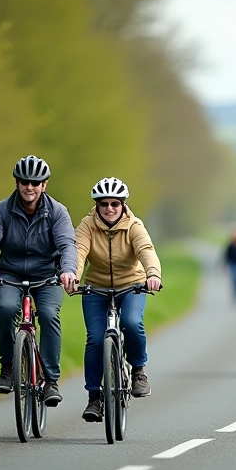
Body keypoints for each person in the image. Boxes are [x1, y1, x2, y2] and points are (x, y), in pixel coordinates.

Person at [0, 155, 79, 407]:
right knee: (7, 309)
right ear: (16, 183)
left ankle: (51, 381)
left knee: (49, 314)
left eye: (35, 182)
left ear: (44, 185)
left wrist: (68, 271)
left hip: (47, 276)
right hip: (11, 274)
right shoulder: (1, 210)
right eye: (24, 182)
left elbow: (67, 244)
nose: (29, 187)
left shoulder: (57, 211)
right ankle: (8, 367)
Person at [75, 177, 162, 423]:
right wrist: (72, 273)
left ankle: (138, 371)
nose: (110, 208)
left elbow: (146, 250)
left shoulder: (134, 225)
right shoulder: (86, 226)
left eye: (115, 203)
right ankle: (94, 397)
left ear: (123, 205)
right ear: (97, 206)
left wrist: (153, 275)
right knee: (94, 339)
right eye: (104, 204)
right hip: (96, 288)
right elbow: (78, 251)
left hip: (131, 286)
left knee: (132, 323)